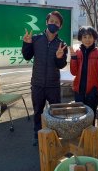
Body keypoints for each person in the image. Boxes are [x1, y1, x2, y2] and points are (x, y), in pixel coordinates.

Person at [22, 11, 68, 146]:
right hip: (37, 84)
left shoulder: (61, 44)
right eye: (51, 21)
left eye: (57, 22)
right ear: (47, 23)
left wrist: (59, 57)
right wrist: (26, 44)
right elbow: (27, 56)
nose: (53, 24)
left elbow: (61, 65)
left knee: (56, 112)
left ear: (60, 26)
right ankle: (37, 135)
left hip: (53, 84)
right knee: (37, 112)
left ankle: (55, 135)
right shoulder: (36, 39)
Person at [69, 26, 98, 124]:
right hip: (79, 90)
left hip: (93, 91)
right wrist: (73, 58)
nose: (87, 40)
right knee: (79, 116)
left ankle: (91, 138)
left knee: (91, 116)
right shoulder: (77, 52)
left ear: (94, 37)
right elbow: (74, 72)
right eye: (84, 37)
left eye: (90, 37)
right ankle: (81, 136)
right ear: (80, 38)